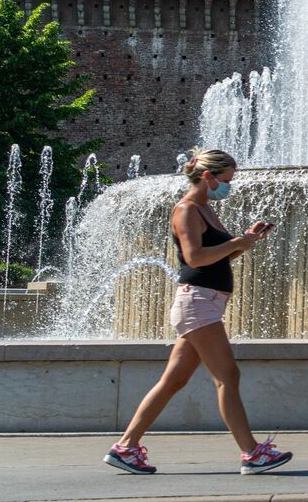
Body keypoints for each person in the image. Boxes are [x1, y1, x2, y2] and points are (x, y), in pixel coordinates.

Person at [104, 148, 293, 475]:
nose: (228, 186)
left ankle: (125, 448)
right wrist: (235, 243)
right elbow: (194, 258)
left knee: (172, 381)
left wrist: (245, 241)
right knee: (228, 377)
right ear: (207, 177)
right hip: (197, 303)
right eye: (226, 180)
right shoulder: (187, 210)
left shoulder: (205, 209)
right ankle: (252, 454)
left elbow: (215, 258)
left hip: (205, 302)